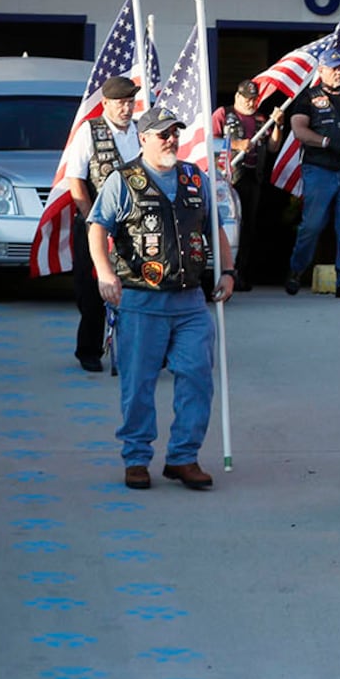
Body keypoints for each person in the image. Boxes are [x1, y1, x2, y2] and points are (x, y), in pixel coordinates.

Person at [87, 106, 234, 491]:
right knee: (138, 383)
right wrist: (104, 273)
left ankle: (183, 457)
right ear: (143, 138)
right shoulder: (123, 181)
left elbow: (213, 226)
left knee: (197, 377)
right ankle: (136, 459)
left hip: (189, 301)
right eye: (162, 134)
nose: (171, 140)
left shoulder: (194, 177)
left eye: (174, 133)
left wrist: (228, 271)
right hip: (141, 300)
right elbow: (97, 228)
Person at [66, 76, 142, 371]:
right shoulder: (90, 131)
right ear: (106, 104)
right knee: (93, 288)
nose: (126, 108)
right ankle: (89, 350)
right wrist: (92, 222)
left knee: (137, 287)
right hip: (94, 222)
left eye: (130, 102)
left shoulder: (140, 132)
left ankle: (137, 350)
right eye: (121, 103)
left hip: (133, 225)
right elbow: (76, 181)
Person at [285, 48, 340, 296]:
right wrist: (326, 143)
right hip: (320, 169)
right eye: (333, 68)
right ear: (321, 71)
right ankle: (296, 270)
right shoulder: (308, 97)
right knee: (313, 224)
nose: (338, 72)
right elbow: (299, 129)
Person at [212, 79, 281, 292]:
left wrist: (278, 124)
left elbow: (273, 146)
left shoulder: (261, 118)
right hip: (229, 179)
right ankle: (223, 271)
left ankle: (241, 274)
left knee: (248, 228)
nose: (250, 103)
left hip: (254, 178)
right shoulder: (223, 114)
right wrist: (236, 145)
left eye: (254, 99)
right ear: (237, 96)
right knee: (228, 226)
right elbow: (209, 140)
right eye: (246, 98)